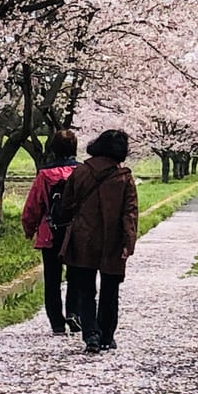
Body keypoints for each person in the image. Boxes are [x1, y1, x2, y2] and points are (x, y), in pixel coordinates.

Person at [57, 128, 139, 353]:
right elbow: (129, 213)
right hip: (113, 240)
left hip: (83, 238)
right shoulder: (123, 177)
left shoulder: (81, 172)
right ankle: (106, 335)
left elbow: (66, 206)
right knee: (110, 289)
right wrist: (128, 242)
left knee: (85, 289)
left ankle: (91, 334)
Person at [20, 129, 82, 335]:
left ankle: (56, 324)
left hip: (50, 233)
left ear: (53, 149)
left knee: (52, 279)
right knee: (76, 275)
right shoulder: (82, 172)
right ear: (74, 148)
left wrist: (29, 229)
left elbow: (33, 206)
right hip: (77, 233)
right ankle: (74, 313)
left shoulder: (44, 174)